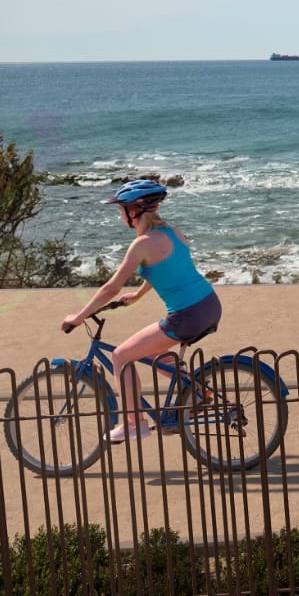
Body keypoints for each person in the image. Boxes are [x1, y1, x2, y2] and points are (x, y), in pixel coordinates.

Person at [61, 180, 224, 442]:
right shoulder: (173, 232)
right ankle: (195, 392)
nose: (120, 215)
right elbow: (168, 269)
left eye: (121, 209)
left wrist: (78, 318)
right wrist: (137, 295)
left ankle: (135, 423)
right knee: (154, 351)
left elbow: (111, 288)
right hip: (209, 304)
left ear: (133, 211)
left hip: (186, 315)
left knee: (121, 357)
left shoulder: (141, 245)